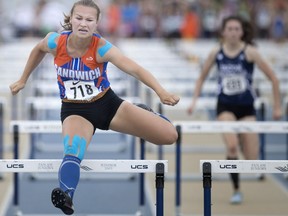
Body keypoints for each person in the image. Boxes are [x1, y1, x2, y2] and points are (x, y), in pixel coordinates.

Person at [10, 0, 180, 215]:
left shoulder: (101, 48)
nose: (83, 23)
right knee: (72, 151)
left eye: (89, 20)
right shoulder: (55, 41)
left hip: (108, 105)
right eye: (79, 18)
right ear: (70, 19)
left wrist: (161, 91)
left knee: (169, 136)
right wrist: (23, 79)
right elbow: (38, 49)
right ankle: (67, 196)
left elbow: (135, 69)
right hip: (74, 111)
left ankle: (145, 113)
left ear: (97, 23)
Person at [187, 15, 282, 204]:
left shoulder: (250, 52)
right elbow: (201, 77)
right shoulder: (216, 52)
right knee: (231, 146)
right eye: (229, 29)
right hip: (225, 107)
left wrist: (278, 107)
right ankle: (236, 189)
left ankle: (239, 142)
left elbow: (273, 78)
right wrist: (194, 102)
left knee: (251, 158)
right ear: (223, 32)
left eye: (236, 29)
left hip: (246, 108)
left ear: (242, 32)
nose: (232, 33)